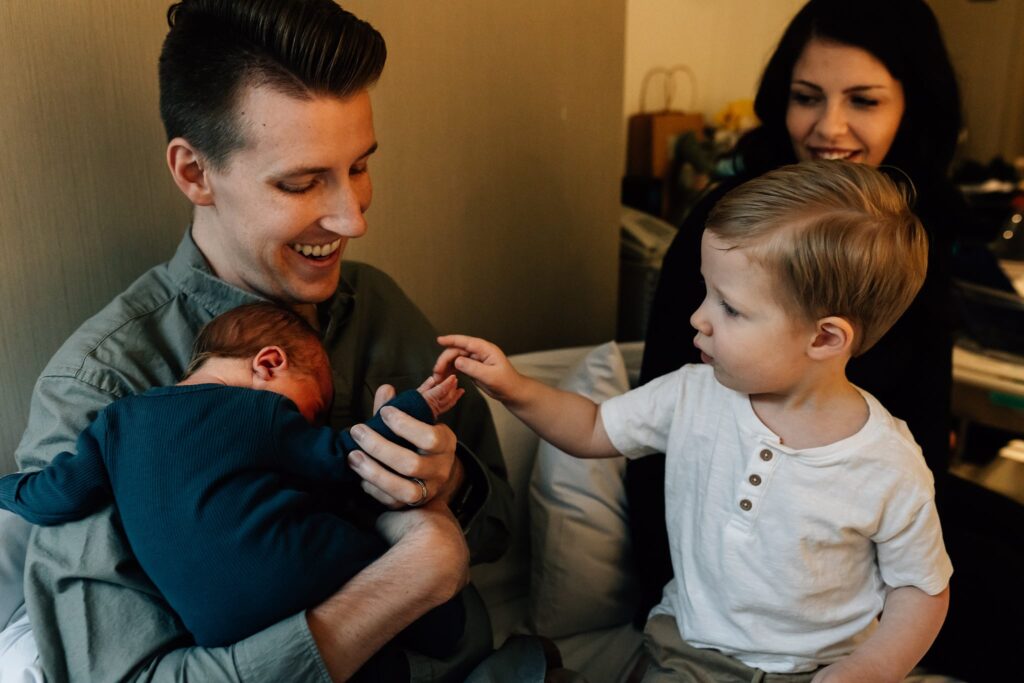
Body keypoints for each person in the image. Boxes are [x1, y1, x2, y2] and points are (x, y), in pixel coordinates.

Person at [11, 1, 513, 681]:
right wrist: (403, 585)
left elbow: (502, 525)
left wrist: (448, 482)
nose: (351, 218)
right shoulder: (103, 387)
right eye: (302, 182)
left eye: (359, 167)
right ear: (194, 173)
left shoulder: (379, 306)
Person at [436, 161, 952, 681]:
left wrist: (874, 666)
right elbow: (593, 428)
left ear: (824, 338)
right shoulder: (693, 393)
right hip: (687, 652)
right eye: (706, 291)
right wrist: (515, 388)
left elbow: (922, 588)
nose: (697, 317)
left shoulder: (888, 463)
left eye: (729, 307)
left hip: (823, 669)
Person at [630, 1, 1023, 677]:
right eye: (806, 98)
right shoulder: (732, 228)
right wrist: (677, 596)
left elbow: (924, 448)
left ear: (911, 106)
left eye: (863, 101)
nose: (828, 127)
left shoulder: (912, 235)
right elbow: (659, 427)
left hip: (872, 509)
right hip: (768, 548)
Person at [2, 303, 469, 667]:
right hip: (288, 566)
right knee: (404, 574)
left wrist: (5, 486)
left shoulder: (115, 422)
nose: (314, 421)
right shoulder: (257, 411)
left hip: (214, 627)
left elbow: (57, 494)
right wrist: (416, 406)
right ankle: (449, 632)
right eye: (314, 408)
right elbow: (344, 456)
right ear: (268, 365)